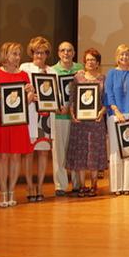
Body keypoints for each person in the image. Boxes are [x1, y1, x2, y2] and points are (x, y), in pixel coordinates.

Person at [0, 42, 33, 207]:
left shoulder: (24, 75)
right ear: (5, 55)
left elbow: (27, 99)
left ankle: (12, 191)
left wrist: (30, 94)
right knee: (2, 156)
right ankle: (3, 193)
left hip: (17, 120)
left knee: (16, 155)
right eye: (14, 54)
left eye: (18, 54)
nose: (17, 57)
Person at [67, 48, 108, 197]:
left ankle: (94, 184)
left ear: (98, 63)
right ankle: (82, 185)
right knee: (81, 153)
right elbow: (72, 98)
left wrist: (101, 112)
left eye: (94, 60)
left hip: (96, 122)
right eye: (88, 59)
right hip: (80, 122)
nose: (90, 62)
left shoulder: (103, 79)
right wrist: (72, 114)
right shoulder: (78, 77)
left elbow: (106, 101)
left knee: (94, 153)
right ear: (84, 62)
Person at [20, 36, 54, 202]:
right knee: (28, 153)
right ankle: (29, 185)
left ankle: (40, 186)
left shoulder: (52, 71)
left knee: (42, 152)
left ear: (47, 54)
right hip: (30, 114)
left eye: (43, 53)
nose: (39, 56)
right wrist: (28, 94)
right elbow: (18, 91)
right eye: (36, 52)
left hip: (46, 118)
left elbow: (57, 95)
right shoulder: (24, 68)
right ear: (31, 53)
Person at [105, 44, 129, 196]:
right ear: (117, 57)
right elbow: (108, 94)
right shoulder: (112, 73)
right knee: (115, 152)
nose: (124, 57)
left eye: (127, 54)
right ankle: (116, 187)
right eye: (122, 54)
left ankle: (127, 186)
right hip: (115, 116)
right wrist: (117, 111)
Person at [51, 41, 83, 196]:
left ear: (74, 53)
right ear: (58, 53)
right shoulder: (52, 71)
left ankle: (78, 184)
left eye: (69, 50)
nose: (66, 53)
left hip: (77, 117)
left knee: (76, 151)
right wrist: (55, 106)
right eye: (63, 50)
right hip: (59, 116)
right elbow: (48, 93)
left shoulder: (80, 70)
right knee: (59, 152)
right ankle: (60, 186)